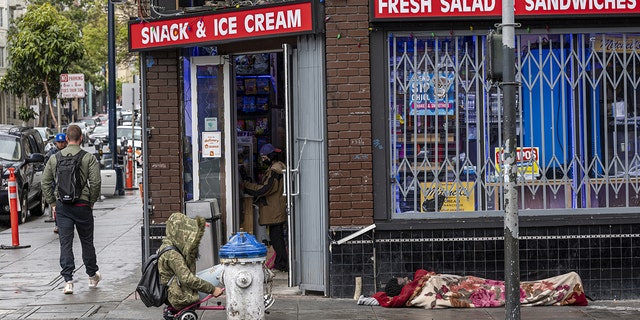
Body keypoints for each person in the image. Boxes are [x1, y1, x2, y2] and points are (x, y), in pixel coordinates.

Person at [158, 212, 275, 316]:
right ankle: (250, 302)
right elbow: (187, 279)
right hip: (180, 294)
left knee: (216, 270)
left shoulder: (167, 246)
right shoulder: (173, 255)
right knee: (224, 269)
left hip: (176, 289)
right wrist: (212, 289)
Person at [42, 124, 102, 294]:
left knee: (65, 244)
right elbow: (96, 182)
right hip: (83, 205)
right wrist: (91, 201)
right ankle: (92, 275)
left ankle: (68, 281)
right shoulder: (88, 158)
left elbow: (45, 182)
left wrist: (53, 203)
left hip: (63, 206)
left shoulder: (55, 158)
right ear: (81, 138)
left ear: (67, 139)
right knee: (87, 242)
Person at [241, 144, 288, 272]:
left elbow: (265, 189)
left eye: (264, 157)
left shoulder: (274, 171)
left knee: (276, 238)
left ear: (270, 156)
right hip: (276, 207)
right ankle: (280, 263)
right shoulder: (280, 167)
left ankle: (283, 264)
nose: (263, 160)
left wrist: (247, 186)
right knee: (276, 237)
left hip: (274, 209)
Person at [44, 133, 68, 234]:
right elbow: (46, 167)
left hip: (66, 182)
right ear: (56, 143)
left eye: (63, 142)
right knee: (57, 205)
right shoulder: (51, 154)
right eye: (59, 142)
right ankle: (58, 224)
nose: (61, 144)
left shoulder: (68, 152)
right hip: (55, 182)